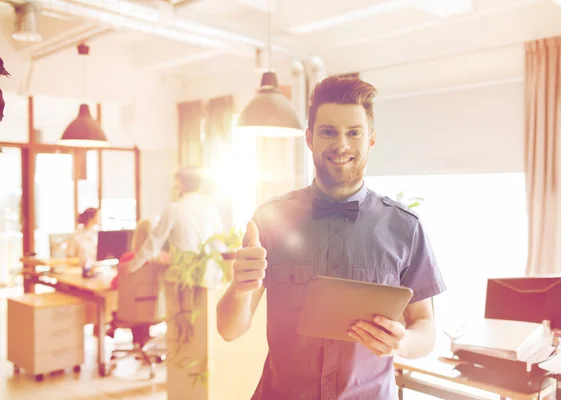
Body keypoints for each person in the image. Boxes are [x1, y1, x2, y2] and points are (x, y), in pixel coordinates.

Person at [216, 76, 446, 399]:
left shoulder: (405, 228)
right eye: (328, 132)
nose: (341, 144)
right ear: (309, 138)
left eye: (354, 133)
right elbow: (229, 329)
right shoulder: (269, 220)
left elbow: (426, 327)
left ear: (371, 141)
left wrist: (403, 342)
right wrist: (239, 289)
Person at [125, 166, 224, 274]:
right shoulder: (211, 208)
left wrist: (131, 267)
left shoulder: (173, 209)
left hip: (182, 273)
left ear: (181, 184)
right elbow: (219, 243)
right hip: (207, 272)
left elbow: (154, 242)